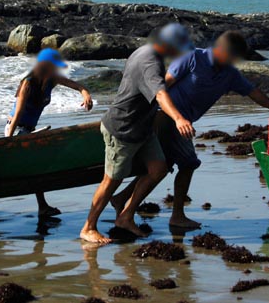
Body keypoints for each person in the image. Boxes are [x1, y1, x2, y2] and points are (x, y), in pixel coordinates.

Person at [112, 31, 269, 229]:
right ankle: (175, 215)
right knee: (188, 163)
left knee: (163, 164)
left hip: (183, 122)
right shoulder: (192, 58)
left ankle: (122, 199)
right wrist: (164, 117)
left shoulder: (230, 74)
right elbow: (161, 89)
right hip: (166, 118)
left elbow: (254, 93)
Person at [80, 23, 196, 244]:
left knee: (158, 169)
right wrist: (179, 118)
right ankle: (88, 227)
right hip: (122, 129)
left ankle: (125, 216)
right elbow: (160, 94)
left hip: (143, 129)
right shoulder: (150, 61)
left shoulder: (147, 52)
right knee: (111, 180)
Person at [0, 48, 93, 218]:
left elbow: (77, 86)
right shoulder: (28, 83)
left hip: (28, 130)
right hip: (16, 128)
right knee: (25, 168)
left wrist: (86, 95)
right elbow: (18, 112)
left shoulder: (51, 80)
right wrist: (9, 141)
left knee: (34, 168)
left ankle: (41, 206)